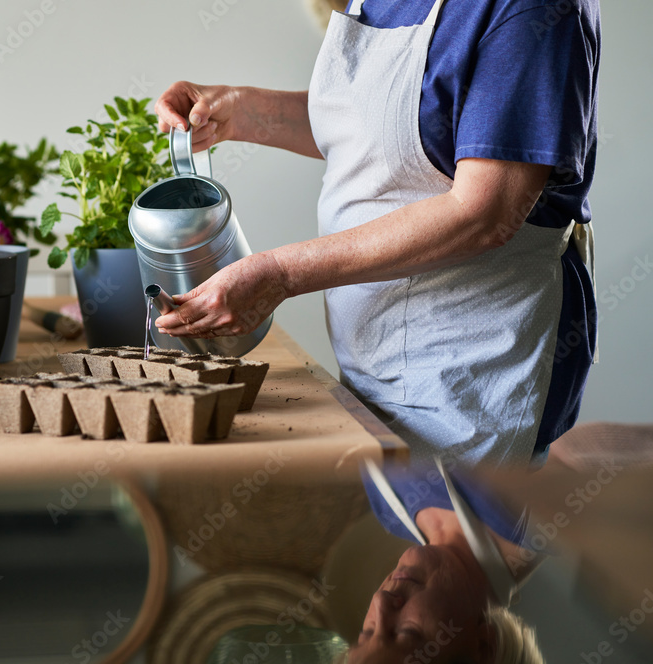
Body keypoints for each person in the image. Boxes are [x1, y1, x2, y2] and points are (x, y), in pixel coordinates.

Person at [153, 0, 601, 468]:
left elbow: (484, 214)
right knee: (390, 533)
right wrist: (240, 110)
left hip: (471, 369)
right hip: (374, 363)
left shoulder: (532, 10)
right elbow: (383, 128)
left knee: (452, 538)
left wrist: (280, 274)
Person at [343, 460, 545, 664]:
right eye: (407, 633)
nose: (380, 600)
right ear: (483, 648)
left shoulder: (389, 513)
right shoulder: (542, 514)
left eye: (366, 632)